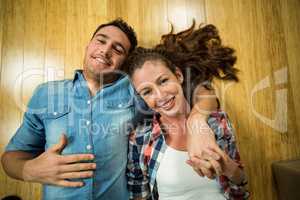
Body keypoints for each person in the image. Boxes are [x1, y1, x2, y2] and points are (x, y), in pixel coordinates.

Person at [1, 19, 220, 200]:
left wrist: (197, 121)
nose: (105, 51)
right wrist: (29, 170)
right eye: (101, 41)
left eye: (117, 49)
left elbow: (203, 91)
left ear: (123, 62)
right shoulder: (46, 93)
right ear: (88, 46)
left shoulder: (136, 92)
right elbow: (10, 158)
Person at [125, 23, 249, 200]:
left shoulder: (217, 122)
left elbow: (241, 186)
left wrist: (227, 166)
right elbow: (139, 195)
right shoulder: (140, 138)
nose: (160, 95)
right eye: (147, 91)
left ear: (179, 75)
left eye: (163, 81)